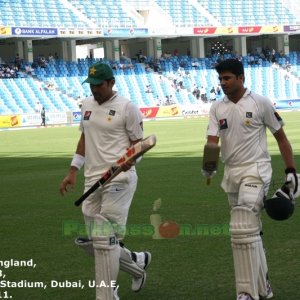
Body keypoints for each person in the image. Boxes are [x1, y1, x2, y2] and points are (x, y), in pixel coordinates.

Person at [202, 59, 298, 300]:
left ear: (241, 78)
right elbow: (213, 141)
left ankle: (246, 293)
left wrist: (290, 171)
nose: (223, 83)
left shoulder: (260, 102)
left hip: (257, 169)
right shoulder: (217, 107)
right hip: (231, 173)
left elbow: (281, 138)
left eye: (227, 78)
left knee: (243, 222)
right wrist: (209, 165)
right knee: (246, 229)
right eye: (220, 79)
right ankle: (263, 286)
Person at [59, 62, 151, 300]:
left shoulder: (127, 107)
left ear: (111, 83)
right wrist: (72, 171)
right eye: (91, 85)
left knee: (105, 237)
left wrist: (131, 162)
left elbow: (139, 144)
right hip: (92, 180)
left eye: (98, 85)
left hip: (118, 178)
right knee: (98, 242)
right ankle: (137, 263)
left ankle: (107, 293)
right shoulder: (87, 105)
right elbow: (84, 139)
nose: (94, 90)